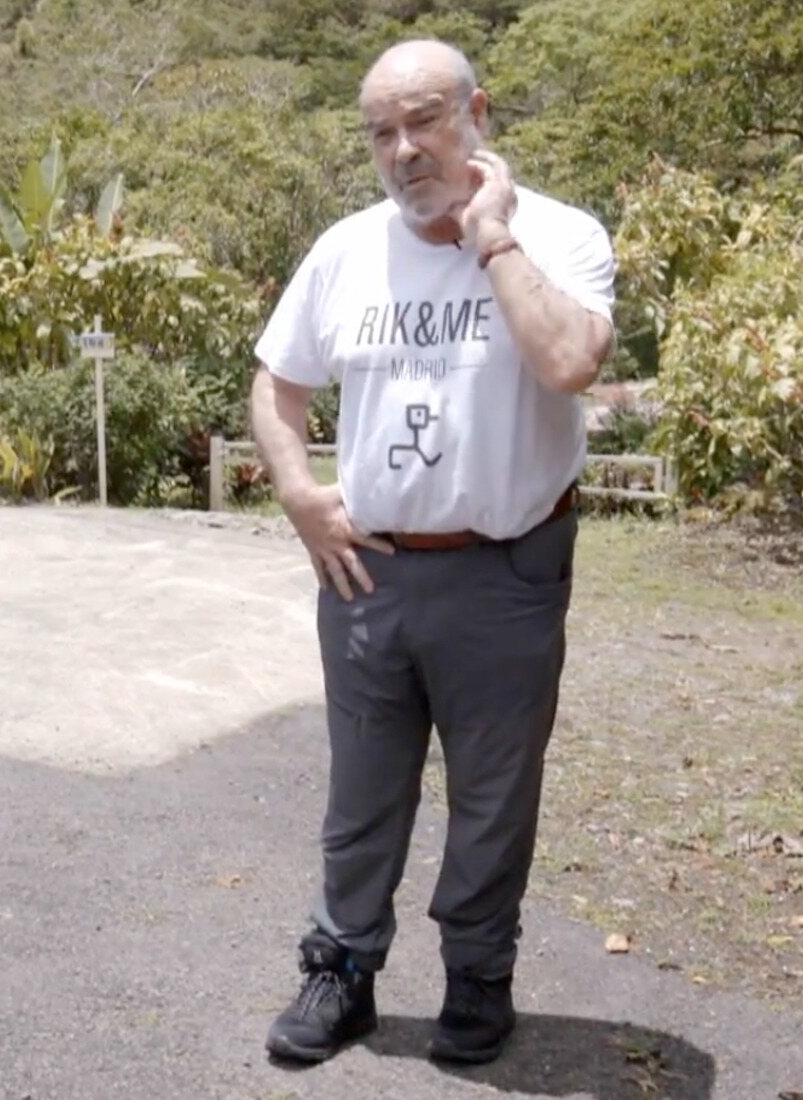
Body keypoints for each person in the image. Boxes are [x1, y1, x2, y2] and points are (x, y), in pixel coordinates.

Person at [249, 40, 617, 1066]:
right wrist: (297, 493)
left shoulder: (558, 235)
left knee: (494, 793)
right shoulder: (345, 249)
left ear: (477, 114)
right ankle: (342, 971)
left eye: (423, 121)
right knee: (361, 790)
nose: (403, 149)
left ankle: (476, 976)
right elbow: (277, 383)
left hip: (505, 569)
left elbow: (567, 361)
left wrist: (489, 238)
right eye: (381, 132)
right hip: (367, 568)